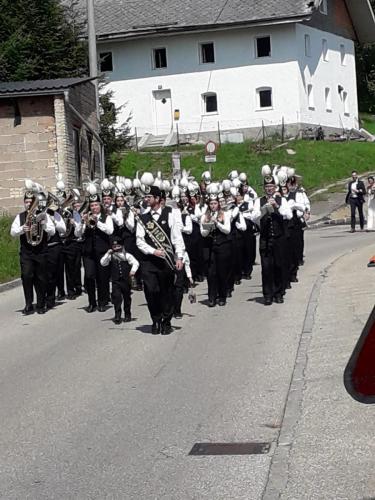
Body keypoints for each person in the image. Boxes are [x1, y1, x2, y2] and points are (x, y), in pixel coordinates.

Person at [136, 185, 184, 335]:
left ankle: (166, 321)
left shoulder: (170, 214)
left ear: (157, 199)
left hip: (166, 261)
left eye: (149, 197)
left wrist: (180, 256)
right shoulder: (143, 218)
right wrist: (153, 251)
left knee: (166, 292)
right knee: (151, 291)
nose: (146, 199)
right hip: (149, 261)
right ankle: (155, 319)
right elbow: (139, 241)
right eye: (145, 197)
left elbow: (177, 237)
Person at [10, 188, 55, 314]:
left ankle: (41, 304)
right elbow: (13, 232)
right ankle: (28, 303)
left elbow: (52, 231)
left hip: (41, 251)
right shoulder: (20, 216)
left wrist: (44, 224)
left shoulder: (43, 215)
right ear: (24, 203)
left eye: (31, 201)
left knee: (41, 278)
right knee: (26, 276)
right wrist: (22, 229)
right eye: (27, 201)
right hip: (26, 252)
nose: (29, 204)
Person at [251, 175, 292, 305]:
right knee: (266, 267)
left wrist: (277, 206)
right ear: (264, 188)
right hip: (265, 238)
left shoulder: (282, 200)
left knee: (279, 266)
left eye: (271, 187)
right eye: (267, 187)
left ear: (275, 187)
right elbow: (253, 217)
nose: (269, 189)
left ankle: (279, 293)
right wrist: (263, 210)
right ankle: (267, 295)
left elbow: (288, 215)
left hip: (279, 238)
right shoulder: (259, 201)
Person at [75, 190, 114, 312]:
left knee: (102, 277)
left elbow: (110, 231)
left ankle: (102, 301)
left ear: (100, 205)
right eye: (92, 205)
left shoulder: (106, 217)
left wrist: (98, 223)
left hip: (102, 251)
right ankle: (92, 302)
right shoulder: (86, 217)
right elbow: (77, 233)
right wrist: (81, 222)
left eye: (96, 205)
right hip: (88, 252)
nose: (94, 207)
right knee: (89, 276)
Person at [200, 195, 232, 307]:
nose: (213, 206)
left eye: (215, 203)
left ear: (218, 204)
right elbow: (202, 233)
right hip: (209, 247)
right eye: (211, 204)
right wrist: (208, 226)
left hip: (222, 245)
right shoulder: (204, 216)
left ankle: (222, 296)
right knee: (211, 273)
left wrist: (217, 224)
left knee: (222, 272)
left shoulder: (225, 214)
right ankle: (212, 297)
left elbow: (227, 230)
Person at [100, 236, 139, 324]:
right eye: (114, 246)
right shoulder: (111, 256)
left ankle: (127, 314)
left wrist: (133, 271)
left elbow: (135, 263)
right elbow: (103, 263)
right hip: (115, 281)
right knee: (116, 297)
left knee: (126, 298)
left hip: (126, 280)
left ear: (121, 246)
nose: (116, 248)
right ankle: (117, 315)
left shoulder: (127, 255)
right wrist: (107, 253)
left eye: (118, 246)